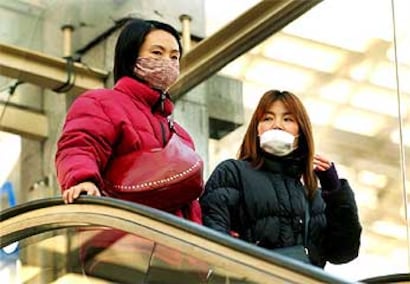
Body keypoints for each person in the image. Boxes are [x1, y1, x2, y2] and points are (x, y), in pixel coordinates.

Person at [55, 19, 203, 224]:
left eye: (174, 56)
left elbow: (190, 204)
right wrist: (82, 181)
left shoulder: (181, 135)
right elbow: (80, 145)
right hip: (121, 242)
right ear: (131, 55)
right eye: (157, 53)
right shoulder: (101, 103)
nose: (167, 62)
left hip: (176, 247)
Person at [200, 90, 362, 268]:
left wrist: (335, 192)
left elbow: (343, 252)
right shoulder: (233, 173)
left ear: (301, 132)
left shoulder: (312, 195)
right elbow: (213, 236)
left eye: (288, 119)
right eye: (267, 118)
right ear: (257, 129)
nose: (277, 125)